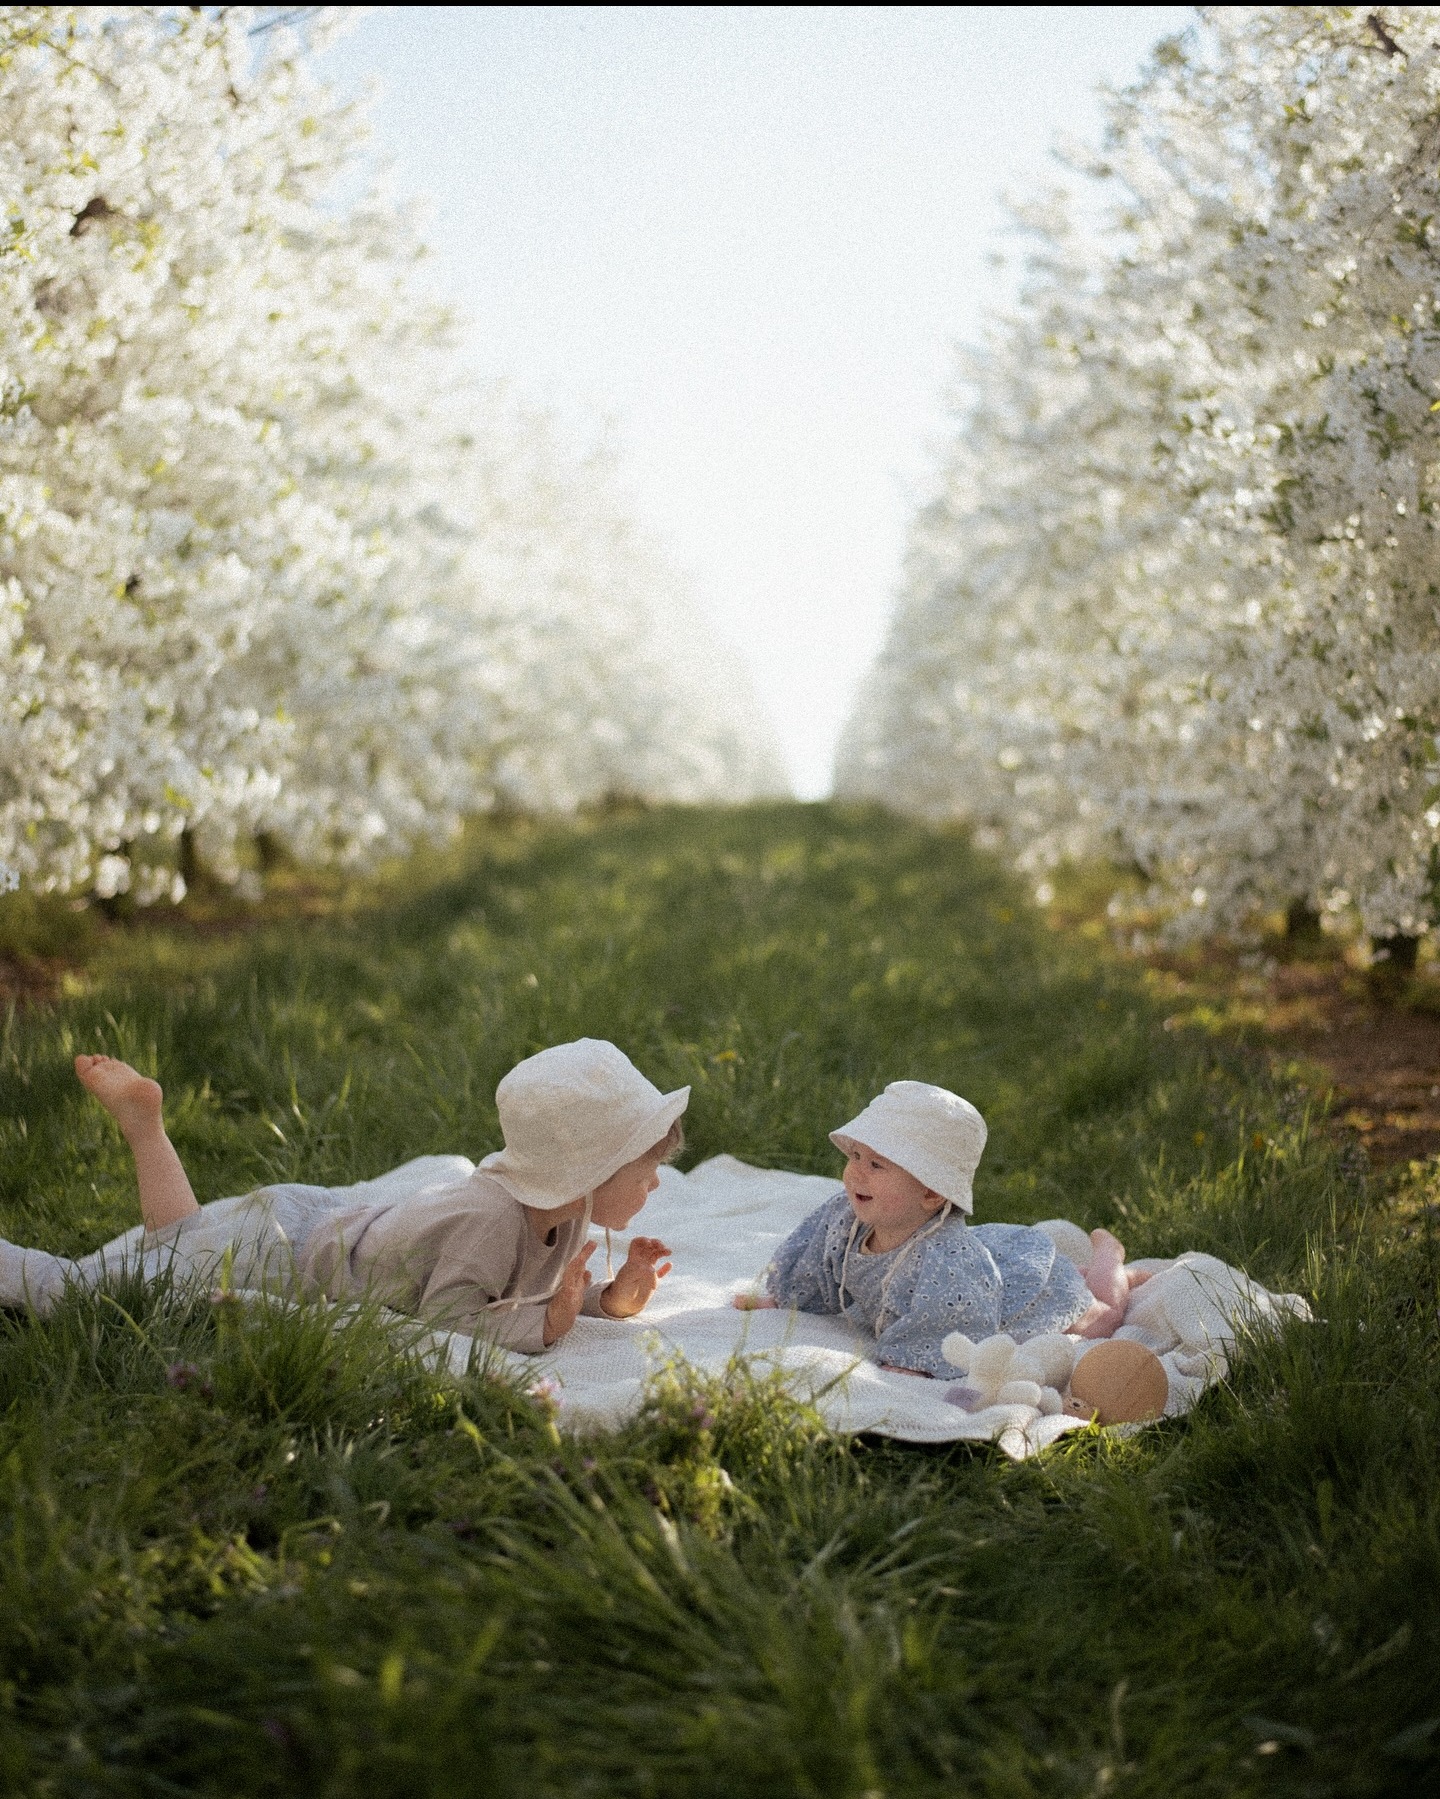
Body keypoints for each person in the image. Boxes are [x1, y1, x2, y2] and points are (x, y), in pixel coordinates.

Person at [0, 1038, 688, 1352]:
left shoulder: (564, 1213)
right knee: (94, 1291)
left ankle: (144, 1125)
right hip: (272, 1258)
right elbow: (451, 1317)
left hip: (307, 1227)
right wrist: (549, 1327)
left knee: (178, 1239)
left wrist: (610, 1297)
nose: (655, 1182)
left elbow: (536, 1292)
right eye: (645, 1168)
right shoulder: (488, 1221)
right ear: (587, 1172)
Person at [734, 1080, 1151, 1378]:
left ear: (931, 1193)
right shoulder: (847, 1217)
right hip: (994, 1266)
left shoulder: (948, 1261)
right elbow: (820, 1260)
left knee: (1101, 1317)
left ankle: (1111, 1260)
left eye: (876, 1164)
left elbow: (958, 1320)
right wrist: (790, 1297)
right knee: (1052, 1275)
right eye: (855, 1155)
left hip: (1014, 1303)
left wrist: (918, 1357)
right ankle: (1087, 1267)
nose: (856, 1172)